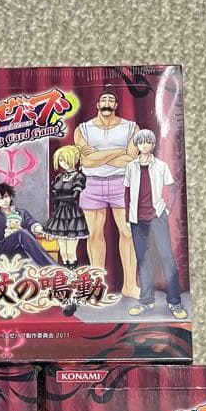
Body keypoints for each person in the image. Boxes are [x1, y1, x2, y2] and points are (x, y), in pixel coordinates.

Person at [74, 89, 139, 298]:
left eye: (111, 100)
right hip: (92, 184)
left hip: (122, 183)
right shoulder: (83, 129)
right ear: (97, 104)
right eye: (104, 99)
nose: (107, 103)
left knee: (128, 233)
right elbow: (86, 161)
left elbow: (131, 159)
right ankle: (97, 286)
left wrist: (99, 156)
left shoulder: (131, 127)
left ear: (116, 105)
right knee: (94, 234)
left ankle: (130, 285)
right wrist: (119, 152)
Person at [123, 129, 186, 319]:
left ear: (153, 144)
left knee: (167, 258)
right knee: (143, 260)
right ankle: (146, 301)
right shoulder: (131, 167)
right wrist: (127, 218)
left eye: (148, 142)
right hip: (137, 219)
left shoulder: (161, 166)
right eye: (141, 142)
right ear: (137, 145)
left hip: (157, 216)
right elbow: (127, 193)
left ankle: (175, 302)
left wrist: (167, 209)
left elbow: (172, 188)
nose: (144, 145)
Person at [0, 182, 53, 266]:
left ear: (11, 197)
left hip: (20, 251)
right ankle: (50, 266)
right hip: (0, 251)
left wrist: (42, 231)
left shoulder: (21, 213)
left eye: (6, 197)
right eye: (0, 199)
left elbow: (32, 224)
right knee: (21, 233)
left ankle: (49, 266)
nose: (4, 201)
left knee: (23, 233)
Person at [42, 144, 88, 271]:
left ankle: (73, 274)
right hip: (59, 215)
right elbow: (56, 196)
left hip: (72, 215)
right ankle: (66, 274)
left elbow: (74, 197)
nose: (63, 163)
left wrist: (56, 199)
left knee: (70, 251)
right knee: (63, 252)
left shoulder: (79, 177)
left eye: (65, 160)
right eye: (60, 160)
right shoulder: (59, 177)